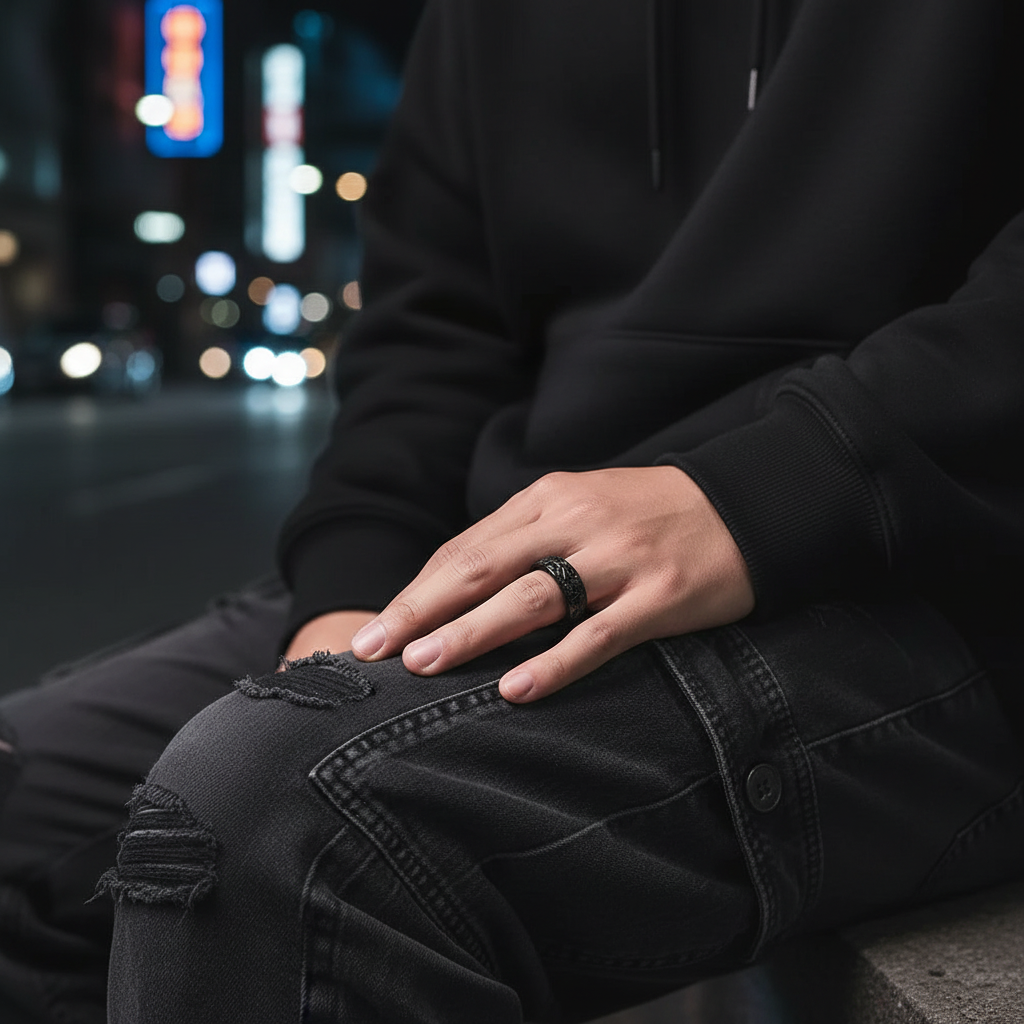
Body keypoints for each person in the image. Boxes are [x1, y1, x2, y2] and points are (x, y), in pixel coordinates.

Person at [3, 0, 1024, 1021]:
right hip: (522, 547)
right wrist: (349, 589)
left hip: (926, 565)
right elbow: (431, 324)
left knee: (294, 817)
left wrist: (782, 483)